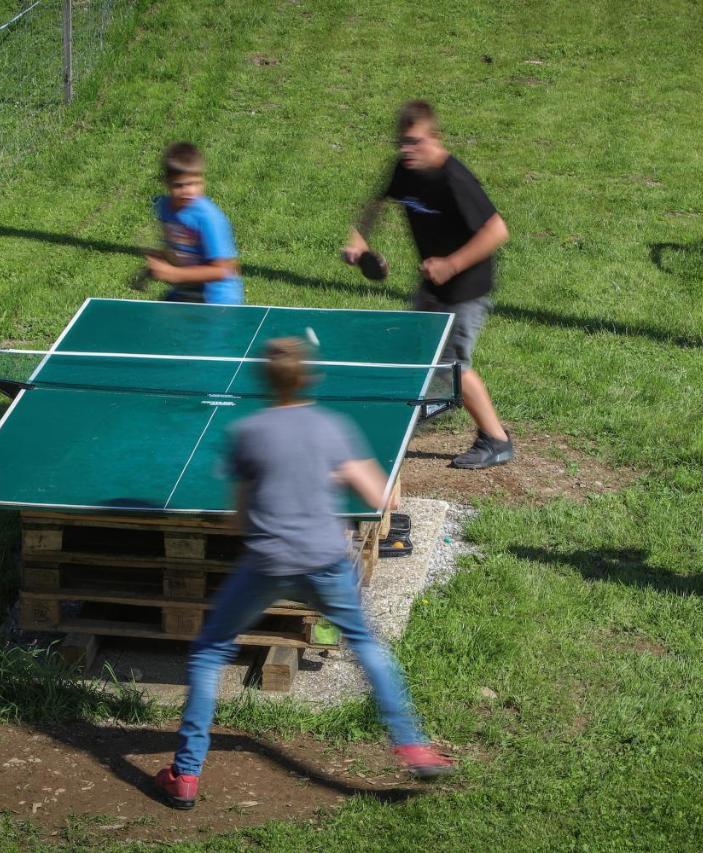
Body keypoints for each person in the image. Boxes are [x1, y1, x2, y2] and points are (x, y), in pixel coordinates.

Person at [154, 338, 453, 809]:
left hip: (267, 564)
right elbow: (379, 498)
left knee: (210, 650)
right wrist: (327, 478)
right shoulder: (332, 428)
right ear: (311, 377)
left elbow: (239, 519)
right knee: (367, 646)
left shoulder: (249, 432)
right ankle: (411, 744)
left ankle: (185, 774)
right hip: (326, 562)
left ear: (265, 382)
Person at [342, 100, 513, 469]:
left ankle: (496, 439)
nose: (407, 150)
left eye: (415, 142)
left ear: (435, 138)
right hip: (433, 283)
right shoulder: (405, 169)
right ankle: (423, 411)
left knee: (452, 365)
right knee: (418, 352)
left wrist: (451, 264)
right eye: (402, 142)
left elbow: (497, 230)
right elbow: (375, 203)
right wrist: (359, 239)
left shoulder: (454, 179)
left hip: (466, 287)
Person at [144, 141, 244, 304]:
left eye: (193, 183)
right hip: (185, 292)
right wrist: (161, 260)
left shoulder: (209, 218)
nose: (187, 191)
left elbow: (224, 270)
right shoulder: (164, 207)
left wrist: (173, 273)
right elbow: (176, 247)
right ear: (167, 183)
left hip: (217, 300)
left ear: (202, 180)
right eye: (179, 185)